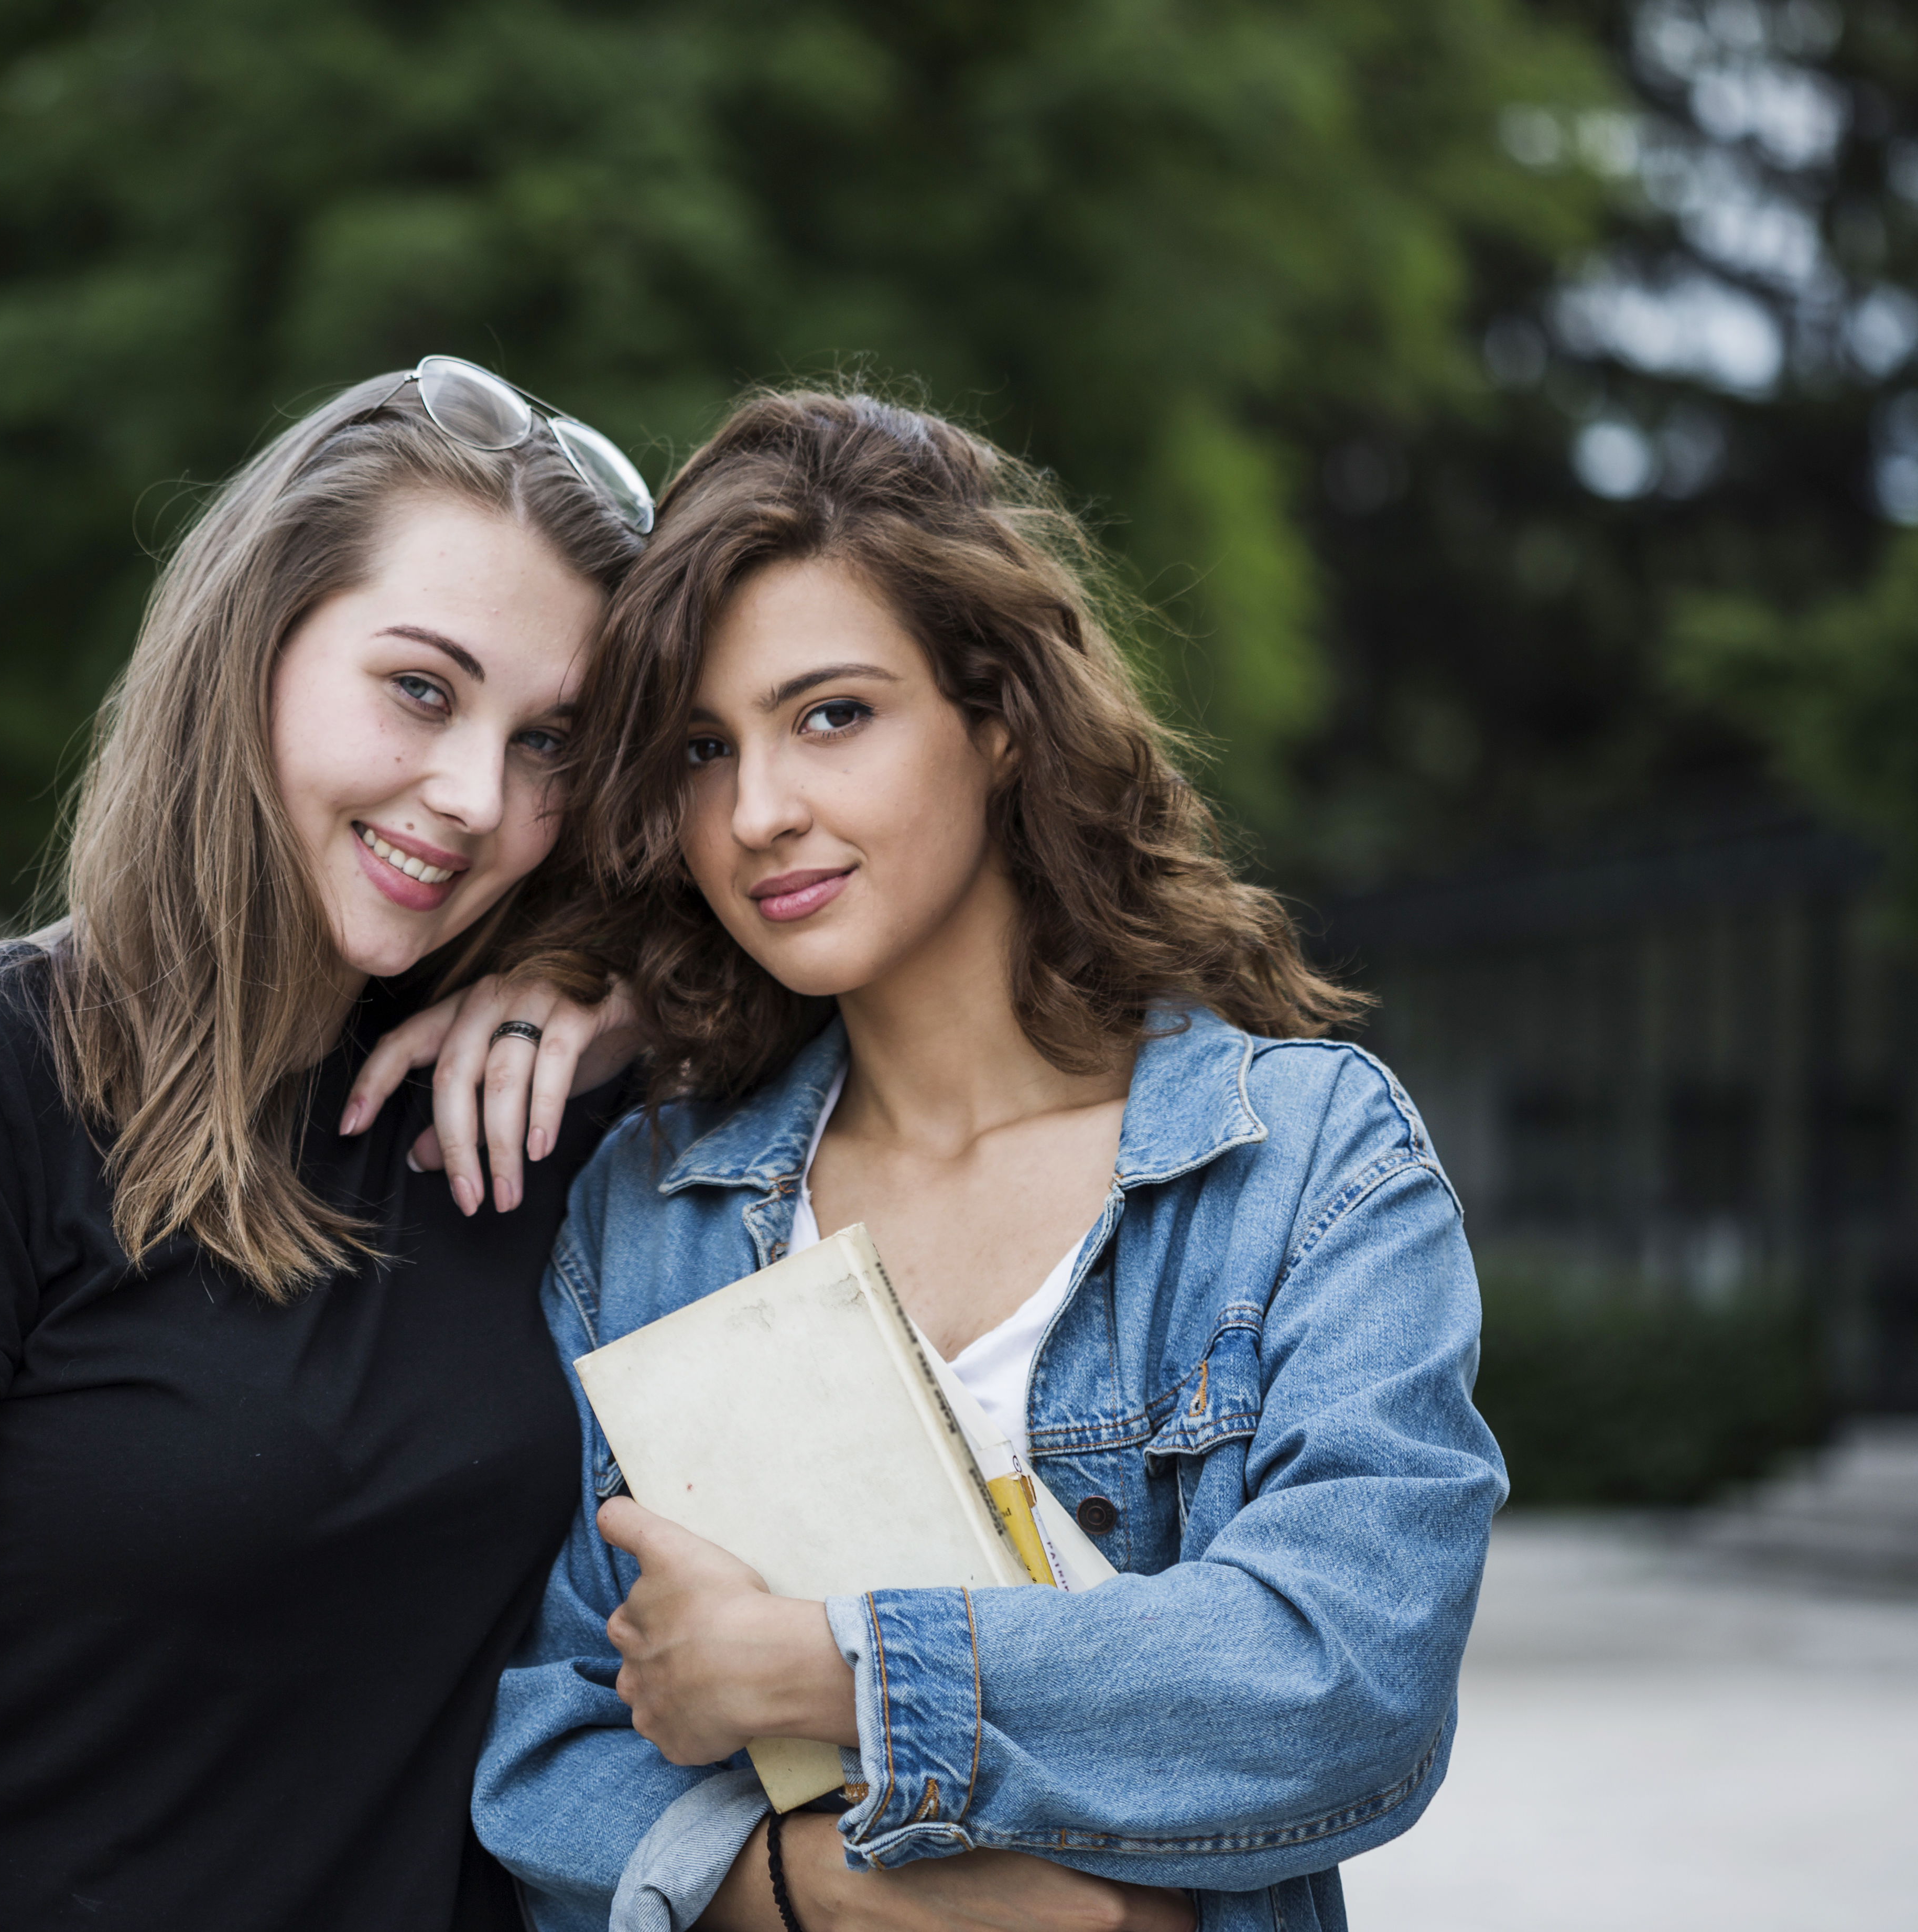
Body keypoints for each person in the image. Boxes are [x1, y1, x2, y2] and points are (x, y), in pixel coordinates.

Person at [472, 391, 1505, 1932]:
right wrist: (826, 1894)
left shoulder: (1302, 1167)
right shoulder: (650, 1213)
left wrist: (839, 1668)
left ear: (999, 717)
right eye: (702, 749)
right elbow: (547, 1751)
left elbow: (1346, 1678)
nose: (759, 814)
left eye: (833, 715)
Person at [0, 358, 655, 1932]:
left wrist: (628, 995)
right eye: (421, 688)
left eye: (551, 742)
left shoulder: (526, 1113)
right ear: (249, 650)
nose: (479, 796)